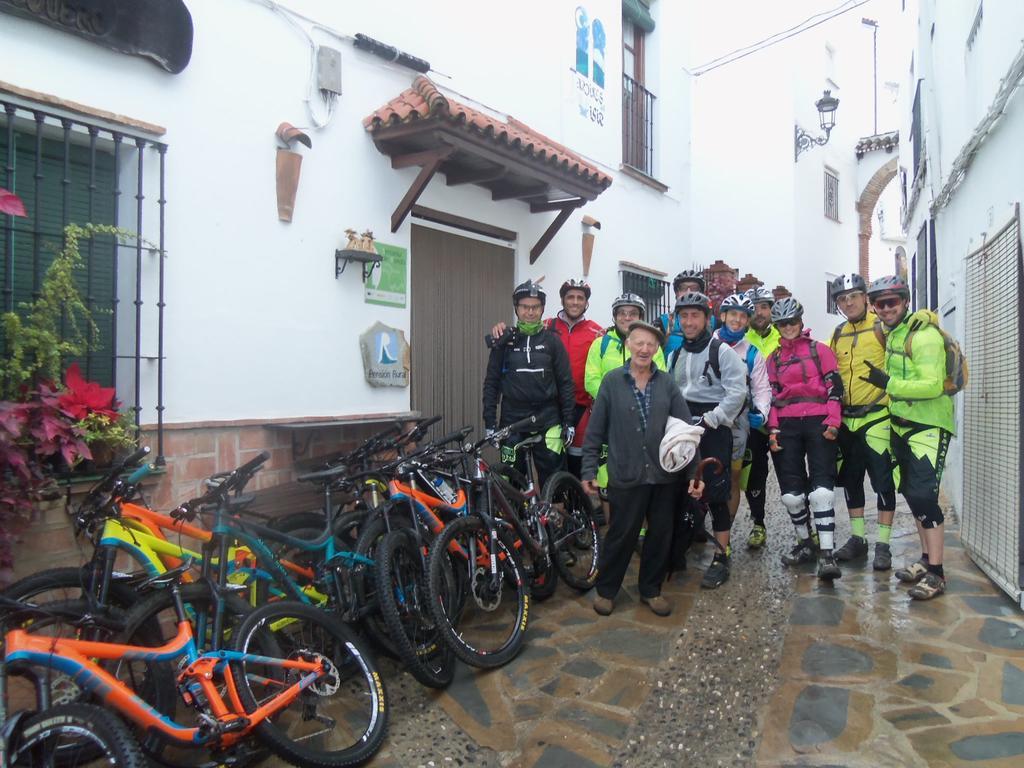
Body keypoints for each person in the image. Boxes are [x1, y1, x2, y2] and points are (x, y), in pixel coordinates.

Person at [581, 321, 704, 617]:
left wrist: (693, 474)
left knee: (660, 535)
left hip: (664, 477)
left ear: (657, 350)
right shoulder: (611, 382)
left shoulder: (666, 384)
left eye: (651, 344)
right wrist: (588, 470)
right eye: (639, 343)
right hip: (626, 473)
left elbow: (686, 432)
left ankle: (651, 590)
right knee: (621, 535)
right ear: (628, 345)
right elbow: (595, 431)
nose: (644, 349)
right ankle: (607, 591)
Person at [863, 275, 955, 600]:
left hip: (927, 424)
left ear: (904, 302)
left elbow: (932, 385)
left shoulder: (925, 336)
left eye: (892, 302)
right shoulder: (894, 335)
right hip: (902, 424)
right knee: (913, 497)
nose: (886, 308)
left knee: (925, 497)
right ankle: (927, 560)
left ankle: (938, 574)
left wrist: (888, 384)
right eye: (880, 303)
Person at [667, 291, 748, 589]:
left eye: (695, 315)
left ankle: (721, 555)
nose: (689, 322)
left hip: (713, 427)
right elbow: (671, 391)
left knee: (716, 492)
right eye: (684, 316)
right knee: (682, 487)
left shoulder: (722, 351)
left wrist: (711, 419)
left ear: (707, 318)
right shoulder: (675, 354)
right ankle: (681, 545)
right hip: (683, 427)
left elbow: (737, 393)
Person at [765, 297, 844, 580]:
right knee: (790, 495)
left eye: (792, 322)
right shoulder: (772, 359)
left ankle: (827, 554)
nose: (788, 328)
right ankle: (804, 544)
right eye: (782, 324)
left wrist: (834, 421)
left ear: (801, 322)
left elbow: (835, 388)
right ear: (777, 326)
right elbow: (772, 398)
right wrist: (773, 430)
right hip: (786, 424)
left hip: (819, 421)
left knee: (821, 491)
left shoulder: (820, 350)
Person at [491, 279, 602, 479]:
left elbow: (568, 379)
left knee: (571, 467)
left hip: (577, 407)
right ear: (562, 300)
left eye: (580, 298)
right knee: (515, 477)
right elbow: (492, 381)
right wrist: (500, 329)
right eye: (570, 297)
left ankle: (572, 507)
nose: (575, 302)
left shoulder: (598, 332)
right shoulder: (548, 326)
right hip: (533, 411)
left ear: (586, 302)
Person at [828, 274, 897, 571]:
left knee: (883, 481)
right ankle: (858, 538)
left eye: (854, 295)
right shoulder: (838, 332)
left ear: (865, 297)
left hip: (877, 416)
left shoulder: (882, 327)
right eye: (842, 298)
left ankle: (883, 544)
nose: (848, 302)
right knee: (851, 481)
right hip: (847, 419)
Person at [482, 279, 576, 489]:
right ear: (516, 308)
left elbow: (565, 383)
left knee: (555, 485)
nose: (530, 312)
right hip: (512, 421)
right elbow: (491, 383)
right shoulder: (504, 340)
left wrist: (569, 421)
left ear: (542, 308)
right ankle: (521, 521)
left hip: (548, 420)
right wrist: (489, 423)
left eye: (535, 307)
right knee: (511, 484)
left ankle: (555, 521)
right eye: (525, 307)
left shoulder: (553, 341)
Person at [584, 293, 666, 519]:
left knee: (641, 476)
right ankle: (615, 531)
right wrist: (616, 401)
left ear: (641, 317)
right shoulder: (601, 344)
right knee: (606, 479)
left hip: (643, 420)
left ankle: (639, 530)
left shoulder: (652, 345)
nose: (627, 317)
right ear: (615, 316)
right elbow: (591, 379)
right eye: (622, 313)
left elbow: (661, 377)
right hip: (609, 420)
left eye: (633, 313)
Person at [714, 293, 771, 527]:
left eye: (743, 316)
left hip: (738, 422)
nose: (737, 320)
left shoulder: (752, 352)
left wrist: (762, 412)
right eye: (733, 314)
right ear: (723, 316)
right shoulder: (707, 342)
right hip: (710, 422)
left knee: (734, 479)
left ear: (748, 321)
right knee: (706, 476)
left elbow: (762, 388)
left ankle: (724, 534)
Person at [742, 285, 781, 549]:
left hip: (782, 417)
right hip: (753, 418)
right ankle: (758, 522)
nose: (759, 312)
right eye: (754, 308)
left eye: (764, 307)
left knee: (792, 473)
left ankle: (807, 525)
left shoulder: (786, 334)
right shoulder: (741, 340)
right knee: (754, 472)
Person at [659, 269, 706, 358]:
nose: (688, 292)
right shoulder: (663, 321)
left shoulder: (713, 322)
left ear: (701, 292)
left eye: (694, 288)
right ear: (677, 293)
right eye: (684, 288)